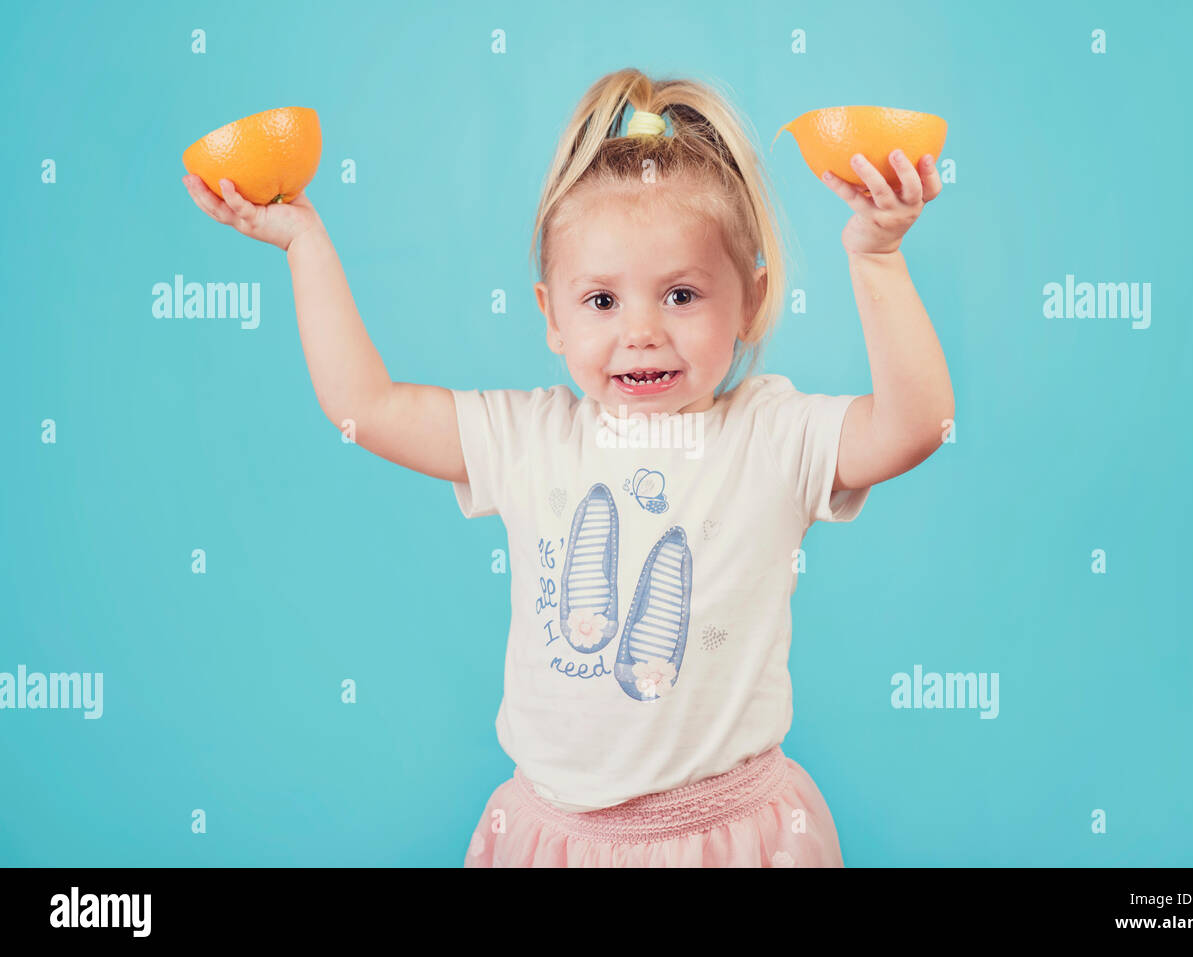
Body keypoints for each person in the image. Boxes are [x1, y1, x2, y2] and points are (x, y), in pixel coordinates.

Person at [182, 67, 951, 867]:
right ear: (551, 314)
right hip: (556, 841)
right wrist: (304, 242)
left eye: (682, 294)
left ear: (752, 301)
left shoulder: (772, 434)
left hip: (732, 837)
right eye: (602, 301)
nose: (642, 332)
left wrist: (878, 258)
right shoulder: (528, 437)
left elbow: (918, 426)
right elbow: (364, 407)